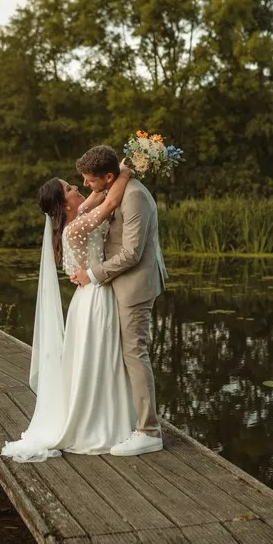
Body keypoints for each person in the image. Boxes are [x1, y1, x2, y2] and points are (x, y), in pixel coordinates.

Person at [1, 161, 136, 462]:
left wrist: (113, 173)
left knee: (98, 360)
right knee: (101, 359)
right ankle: (100, 424)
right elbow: (110, 200)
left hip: (87, 298)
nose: (78, 188)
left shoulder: (77, 217)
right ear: (64, 202)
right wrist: (126, 173)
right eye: (70, 188)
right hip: (95, 299)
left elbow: (96, 197)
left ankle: (107, 415)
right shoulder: (75, 228)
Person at [71, 145, 168, 457]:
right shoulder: (117, 190)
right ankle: (130, 420)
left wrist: (93, 274)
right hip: (121, 286)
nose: (86, 185)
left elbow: (132, 253)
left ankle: (149, 432)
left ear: (108, 177)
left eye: (89, 180)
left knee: (135, 354)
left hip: (135, 287)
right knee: (125, 355)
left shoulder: (135, 196)